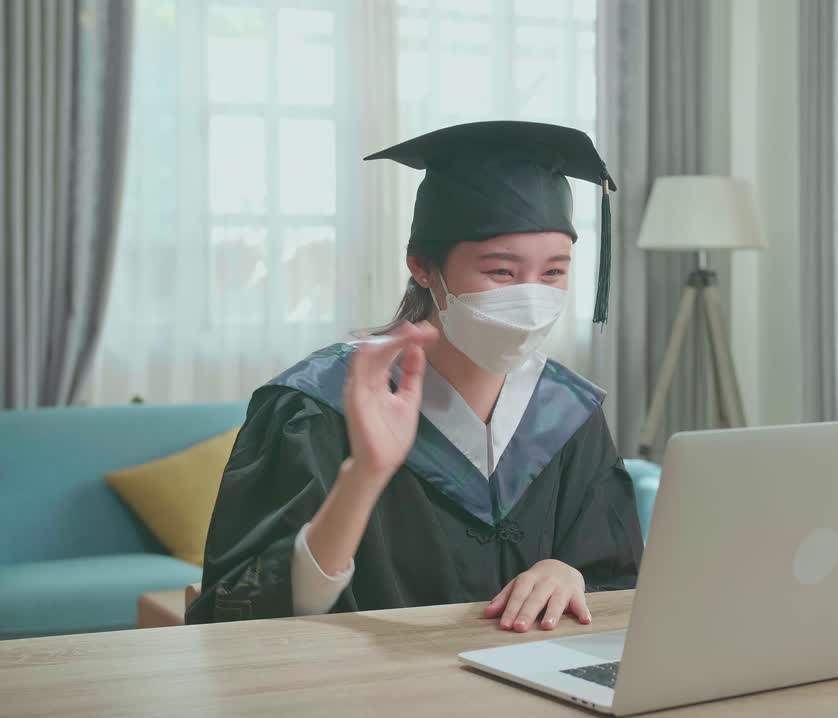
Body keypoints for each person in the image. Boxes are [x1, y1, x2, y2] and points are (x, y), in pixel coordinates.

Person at [186, 121, 643, 633]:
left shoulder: (568, 411)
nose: (530, 297)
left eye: (554, 273)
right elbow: (237, 609)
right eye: (501, 272)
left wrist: (568, 573)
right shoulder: (315, 406)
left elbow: (617, 582)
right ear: (424, 268)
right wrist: (362, 478)